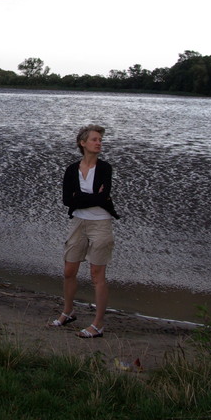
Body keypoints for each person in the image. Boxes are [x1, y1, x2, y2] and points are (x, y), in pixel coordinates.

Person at [49, 124, 119, 338]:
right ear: (83, 143)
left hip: (101, 223)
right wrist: (91, 198)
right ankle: (68, 312)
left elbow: (102, 197)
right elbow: (66, 200)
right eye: (94, 139)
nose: (99, 143)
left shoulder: (105, 168)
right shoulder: (72, 169)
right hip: (78, 222)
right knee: (69, 271)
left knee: (97, 276)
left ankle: (98, 324)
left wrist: (80, 198)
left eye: (100, 140)